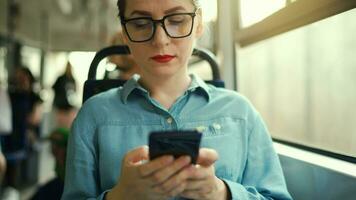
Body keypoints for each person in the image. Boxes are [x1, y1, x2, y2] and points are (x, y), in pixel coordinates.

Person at [62, 0, 292, 199]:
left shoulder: (241, 113)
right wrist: (120, 197)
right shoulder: (93, 116)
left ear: (198, 23)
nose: (161, 40)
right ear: (125, 33)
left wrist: (220, 193)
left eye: (177, 20)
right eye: (141, 24)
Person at [30, 128, 69, 200]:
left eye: (55, 144)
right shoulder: (59, 158)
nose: (52, 147)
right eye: (52, 143)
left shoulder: (69, 160)